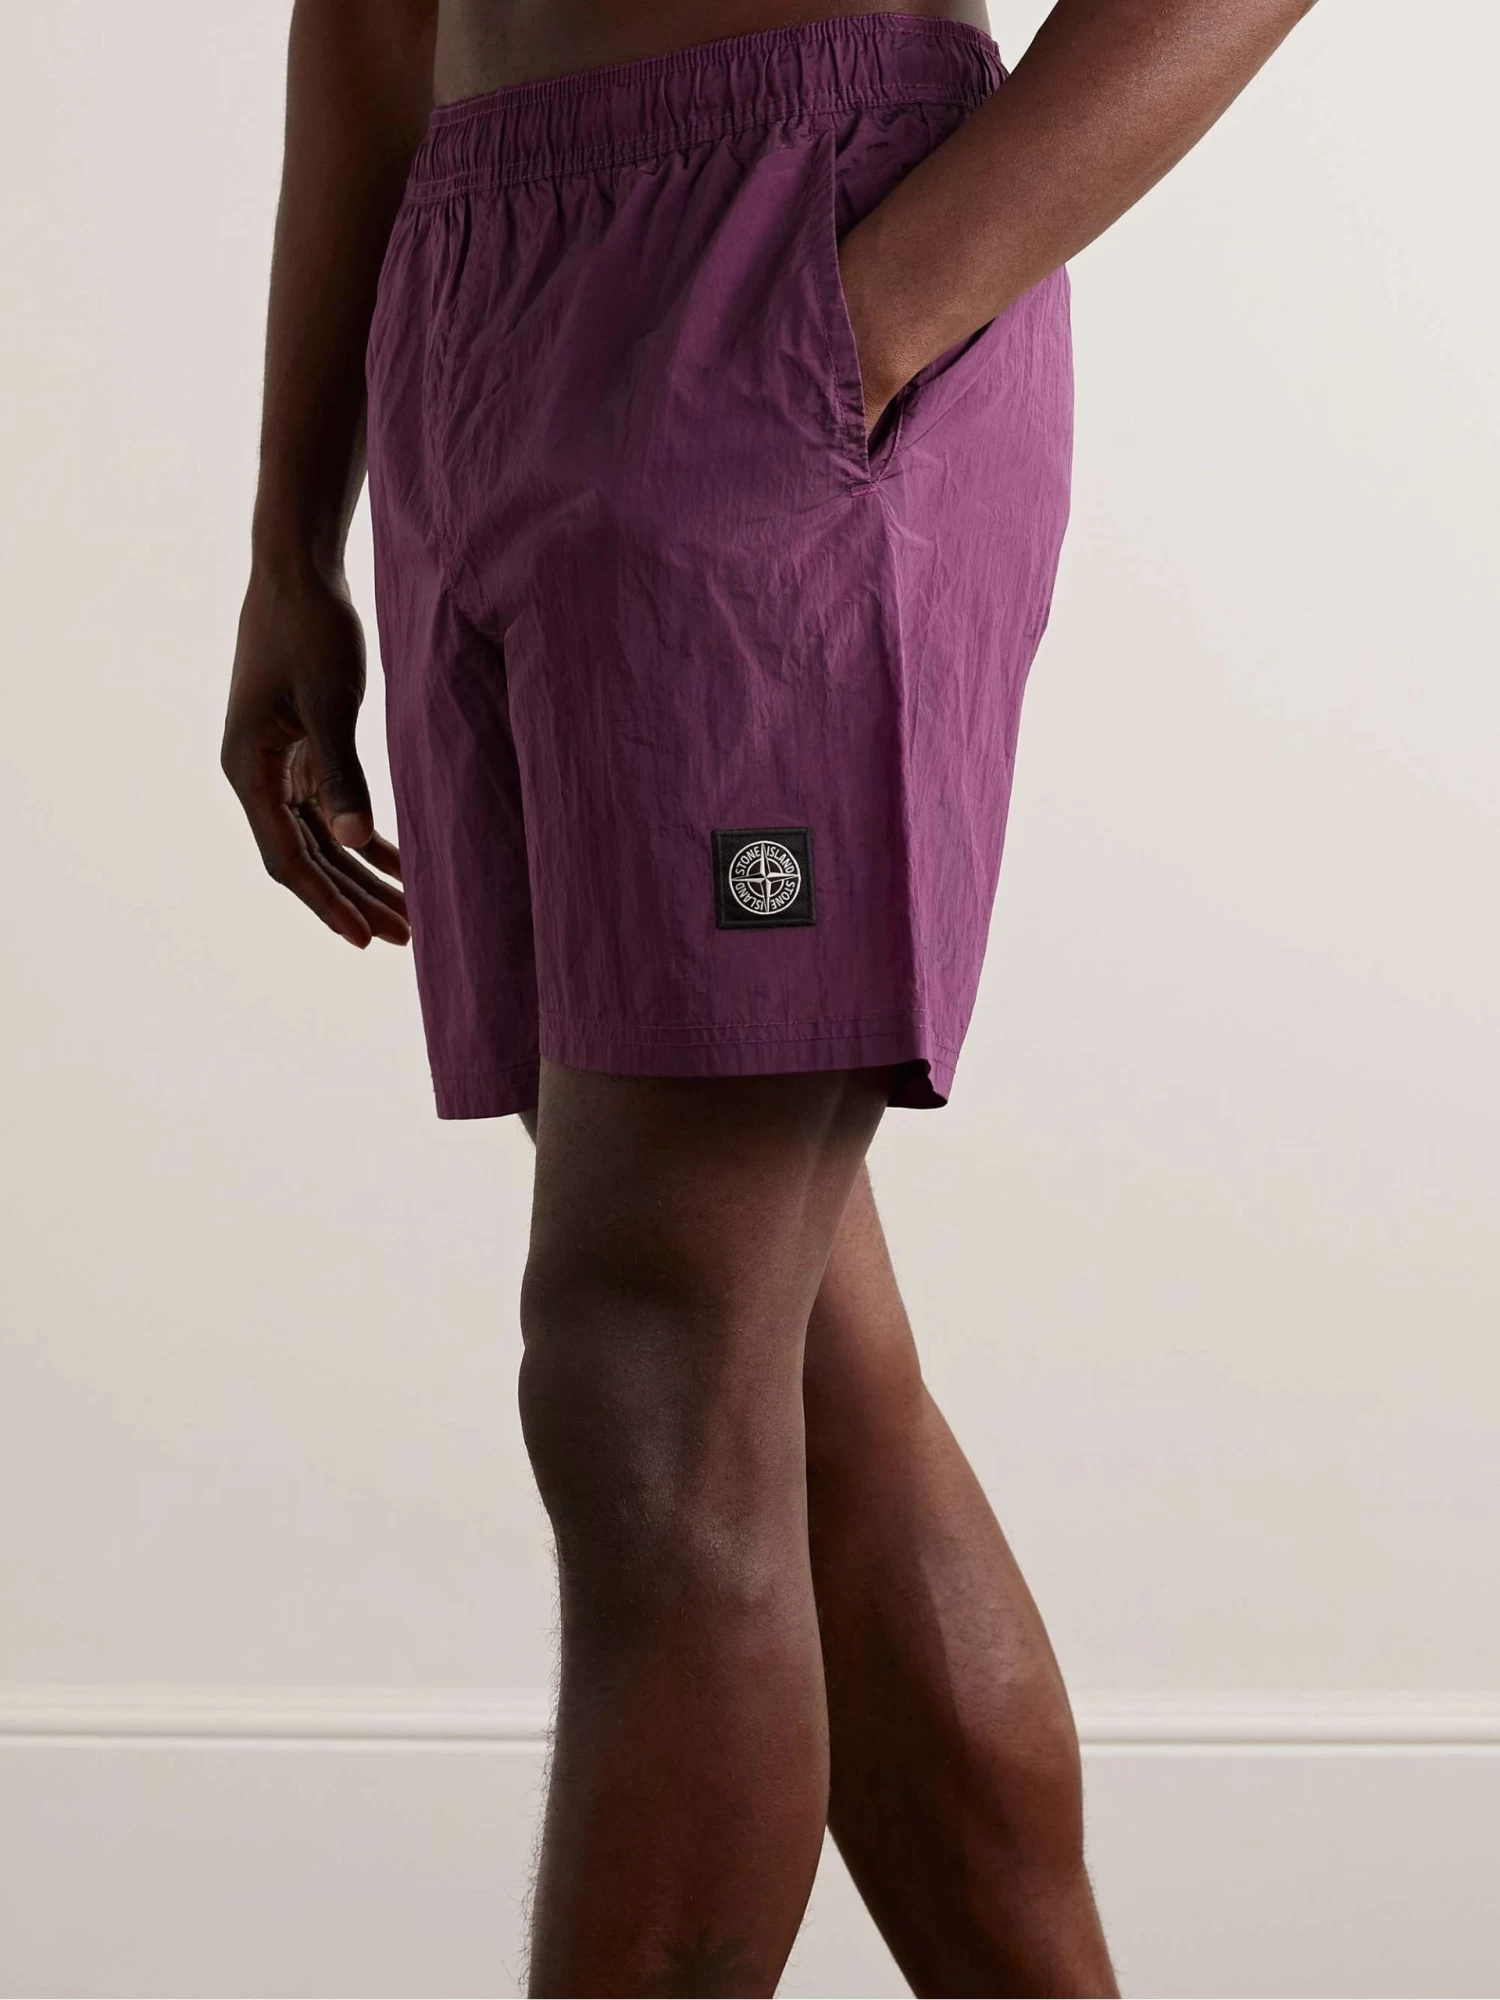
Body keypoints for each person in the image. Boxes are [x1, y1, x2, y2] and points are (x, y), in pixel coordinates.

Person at [222, 0, 1317, 1990]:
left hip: (790, 244)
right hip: (471, 291)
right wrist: (290, 528)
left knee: (643, 1363)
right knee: (802, 1389)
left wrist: (867, 319)